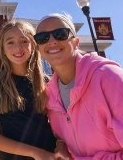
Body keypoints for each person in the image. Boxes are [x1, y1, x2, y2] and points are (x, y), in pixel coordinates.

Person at [34, 12, 123, 159]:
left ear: (76, 42)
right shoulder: (50, 96)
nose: (51, 41)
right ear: (39, 50)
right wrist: (61, 144)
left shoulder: (108, 77)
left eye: (60, 34)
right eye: (42, 38)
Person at [0, 19, 67, 160]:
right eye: (10, 42)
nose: (18, 48)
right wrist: (35, 152)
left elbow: (61, 124)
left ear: (33, 45)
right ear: (2, 48)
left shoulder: (48, 82)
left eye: (24, 41)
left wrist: (61, 145)